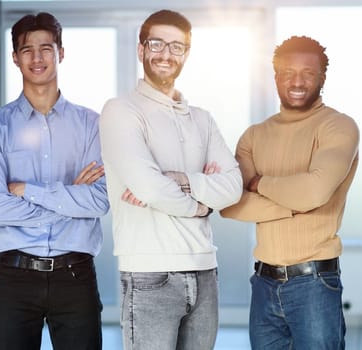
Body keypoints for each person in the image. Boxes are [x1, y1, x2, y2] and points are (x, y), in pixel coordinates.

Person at [99, 9, 242, 350]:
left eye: (177, 47)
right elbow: (148, 186)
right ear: (141, 50)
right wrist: (200, 207)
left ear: (186, 55)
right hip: (150, 274)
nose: (166, 54)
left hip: (205, 270)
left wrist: (179, 179)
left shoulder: (202, 119)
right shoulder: (120, 111)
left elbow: (234, 185)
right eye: (157, 43)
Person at [0, 12, 108, 350]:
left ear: (61, 53)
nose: (37, 58)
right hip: (14, 277)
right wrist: (69, 201)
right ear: (16, 58)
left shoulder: (92, 125)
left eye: (46, 48)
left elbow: (100, 201)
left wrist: (27, 191)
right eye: (27, 50)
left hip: (75, 276)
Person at [221, 35, 359, 349]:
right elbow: (229, 203)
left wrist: (258, 184)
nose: (297, 82)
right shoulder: (254, 135)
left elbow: (314, 192)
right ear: (275, 78)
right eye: (287, 73)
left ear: (322, 77)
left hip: (313, 284)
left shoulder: (338, 126)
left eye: (308, 73)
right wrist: (294, 204)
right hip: (263, 283)